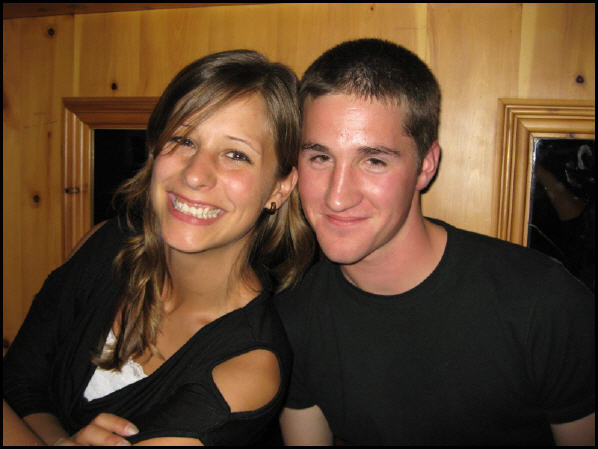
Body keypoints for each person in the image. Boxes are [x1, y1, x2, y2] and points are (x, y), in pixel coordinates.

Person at [275, 38, 595, 445]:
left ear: (426, 165)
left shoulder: (545, 305)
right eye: (320, 157)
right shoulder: (293, 316)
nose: (337, 197)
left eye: (373, 160)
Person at [3, 49, 315, 446]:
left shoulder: (249, 368)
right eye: (183, 140)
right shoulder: (108, 243)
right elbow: (22, 381)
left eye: (236, 154)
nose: (195, 174)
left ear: (280, 187)